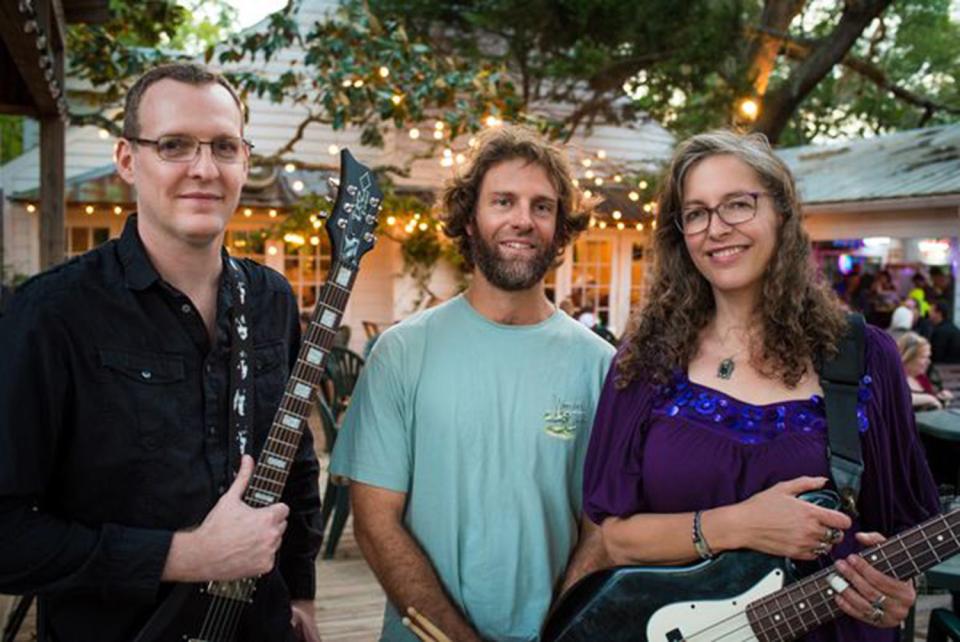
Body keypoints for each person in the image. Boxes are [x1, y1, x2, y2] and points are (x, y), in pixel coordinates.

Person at [0, 63, 322, 642]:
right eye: (173, 145)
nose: (203, 168)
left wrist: (301, 592)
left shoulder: (270, 298)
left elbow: (294, 466)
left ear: (245, 162)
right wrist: (186, 555)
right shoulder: (52, 314)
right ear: (128, 160)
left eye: (224, 146)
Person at [582, 130, 939, 641]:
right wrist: (741, 524)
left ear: (781, 214)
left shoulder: (864, 357)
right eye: (697, 212)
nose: (716, 228)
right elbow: (615, 539)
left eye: (738, 205)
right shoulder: (648, 360)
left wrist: (896, 593)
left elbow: (904, 532)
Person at [330, 125, 615, 642]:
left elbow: (602, 527)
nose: (522, 220)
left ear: (562, 230)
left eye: (542, 206)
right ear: (468, 220)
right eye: (503, 201)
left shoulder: (601, 366)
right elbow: (375, 522)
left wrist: (561, 630)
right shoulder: (401, 353)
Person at [897, 331, 953, 410]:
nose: (928, 361)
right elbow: (897, 398)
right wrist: (929, 398)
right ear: (908, 358)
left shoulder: (921, 378)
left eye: (929, 357)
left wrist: (942, 398)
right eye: (923, 357)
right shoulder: (895, 378)